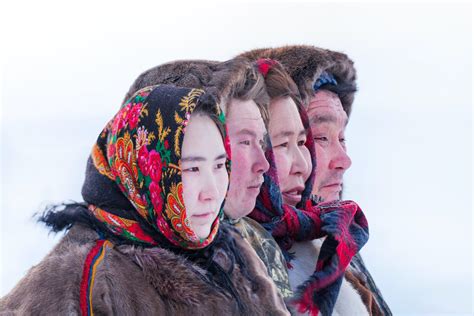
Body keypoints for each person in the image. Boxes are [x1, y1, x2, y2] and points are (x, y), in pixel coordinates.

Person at [0, 84, 288, 315]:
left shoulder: (232, 250)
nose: (212, 191)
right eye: (191, 169)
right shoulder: (81, 281)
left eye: (219, 165)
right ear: (143, 170)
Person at [240, 47, 391, 314]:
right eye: (320, 138)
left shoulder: (335, 239)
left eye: (342, 137)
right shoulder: (243, 260)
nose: (344, 159)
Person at [125, 58, 293, 297]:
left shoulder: (258, 244)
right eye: (244, 142)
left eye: (262, 142)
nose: (264, 164)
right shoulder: (104, 279)